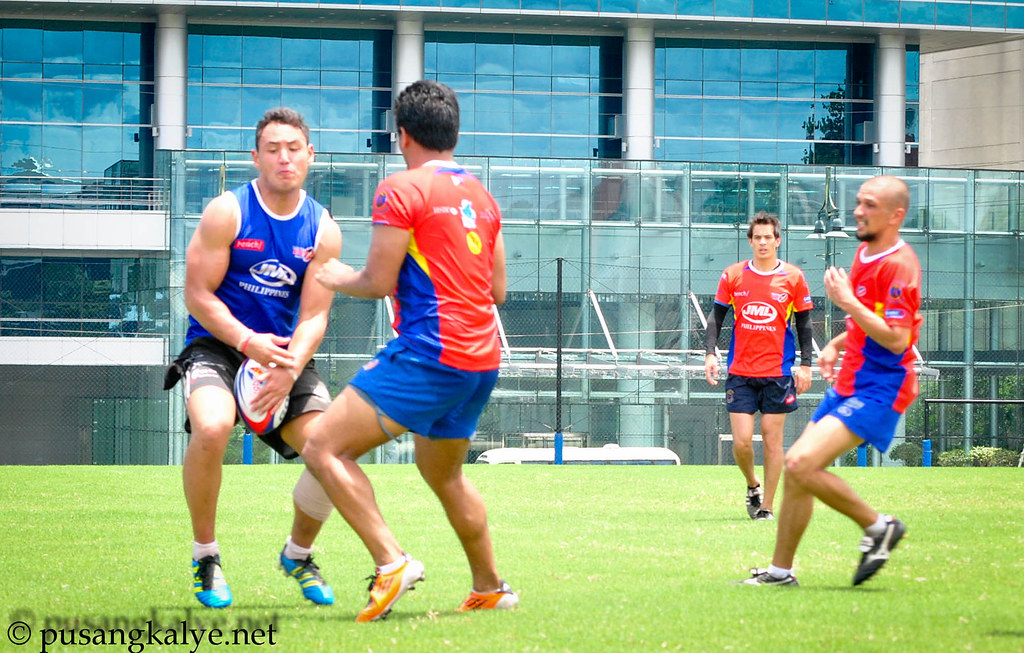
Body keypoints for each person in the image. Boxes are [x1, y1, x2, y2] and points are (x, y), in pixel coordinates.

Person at [302, 80, 518, 622]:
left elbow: (376, 281)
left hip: (430, 353)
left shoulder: (400, 189)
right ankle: (490, 587)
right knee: (444, 474)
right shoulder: (482, 196)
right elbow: (497, 291)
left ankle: (391, 561)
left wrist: (333, 274)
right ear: (453, 133)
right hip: (481, 360)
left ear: (402, 135)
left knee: (323, 447)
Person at [164, 107, 342, 608]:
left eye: (293, 148)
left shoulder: (323, 229)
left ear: (310, 155)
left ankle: (298, 554)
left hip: (283, 355)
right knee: (213, 427)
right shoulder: (228, 212)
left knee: (332, 450)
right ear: (256, 157)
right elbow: (197, 294)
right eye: (273, 149)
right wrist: (246, 342)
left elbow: (315, 316)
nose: (284, 158)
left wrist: (288, 366)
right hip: (218, 346)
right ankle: (206, 557)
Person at [740, 175, 922, 587]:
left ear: (896, 215)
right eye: (858, 202)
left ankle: (878, 526)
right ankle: (780, 572)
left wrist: (848, 302)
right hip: (851, 380)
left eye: (869, 205)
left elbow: (898, 339)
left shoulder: (899, 265)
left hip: (882, 385)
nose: (858, 211)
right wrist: (837, 344)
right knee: (797, 470)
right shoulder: (865, 251)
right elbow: (867, 319)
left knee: (800, 463)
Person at [705, 211, 814, 521]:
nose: (763, 242)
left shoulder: (793, 277)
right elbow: (716, 317)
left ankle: (766, 506)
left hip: (778, 373)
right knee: (741, 443)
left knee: (772, 439)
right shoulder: (733, 275)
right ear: (750, 241)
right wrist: (710, 353)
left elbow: (805, 324)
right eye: (758, 237)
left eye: (768, 237)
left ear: (777, 241)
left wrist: (806, 365)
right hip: (740, 371)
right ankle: (752, 485)